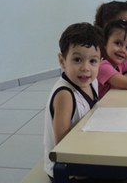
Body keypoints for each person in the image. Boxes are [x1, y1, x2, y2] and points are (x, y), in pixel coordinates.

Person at [44, 22, 104, 180]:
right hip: (67, 172)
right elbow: (64, 147)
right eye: (77, 59)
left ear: (100, 61)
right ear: (62, 60)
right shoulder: (65, 95)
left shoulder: (91, 82)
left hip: (84, 153)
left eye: (93, 61)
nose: (86, 68)